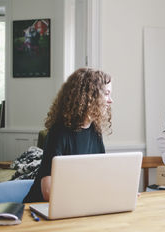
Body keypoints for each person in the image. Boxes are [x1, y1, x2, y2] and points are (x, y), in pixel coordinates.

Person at [23, 68, 113, 203]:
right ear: (89, 96)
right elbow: (47, 191)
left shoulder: (95, 130)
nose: (110, 100)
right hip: (40, 208)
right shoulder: (59, 132)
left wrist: (117, 191)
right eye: (106, 94)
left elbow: (100, 174)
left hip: (75, 204)